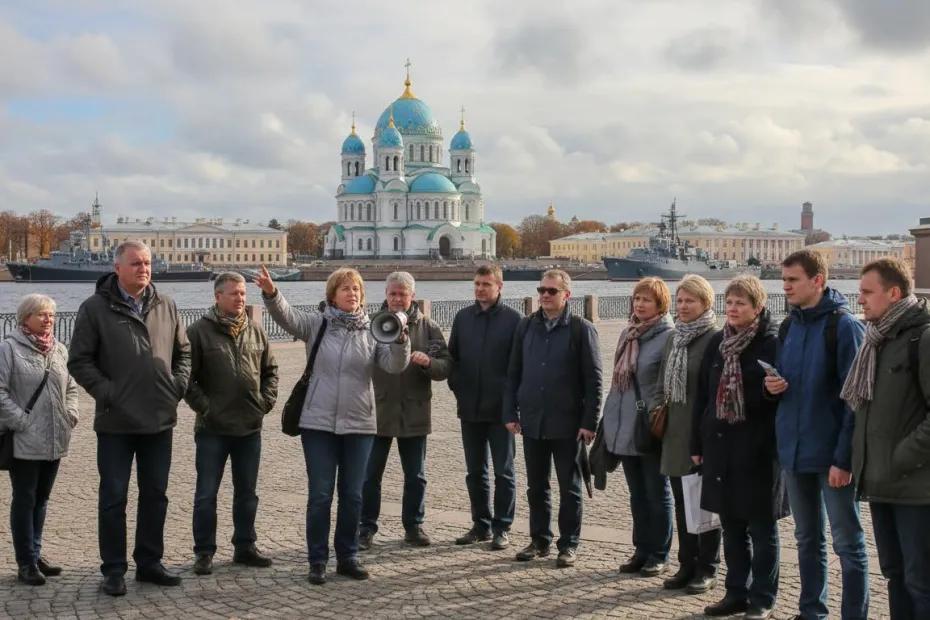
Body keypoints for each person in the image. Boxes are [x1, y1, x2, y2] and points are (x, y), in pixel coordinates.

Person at [256, 265, 409, 585]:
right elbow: (288, 317)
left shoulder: (373, 330)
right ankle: (317, 560)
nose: (351, 293)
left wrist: (400, 340)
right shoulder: (318, 324)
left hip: (360, 425)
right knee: (321, 495)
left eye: (356, 289)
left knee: (353, 495)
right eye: (345, 288)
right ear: (332, 295)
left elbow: (394, 365)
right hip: (318, 423)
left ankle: (348, 557)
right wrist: (272, 293)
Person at [68, 240, 191, 597]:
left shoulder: (166, 304)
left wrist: (176, 387)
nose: (144, 269)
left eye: (147, 263)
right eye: (136, 263)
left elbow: (184, 352)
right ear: (117, 267)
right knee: (113, 497)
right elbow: (79, 360)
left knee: (156, 495)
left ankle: (150, 563)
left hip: (159, 418)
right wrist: (108, 393)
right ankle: (114, 570)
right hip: (116, 421)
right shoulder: (94, 308)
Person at [765, 250, 868, 620]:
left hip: (832, 458)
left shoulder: (844, 327)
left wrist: (844, 459)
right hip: (794, 453)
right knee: (807, 539)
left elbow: (856, 401)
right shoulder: (789, 327)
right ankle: (812, 612)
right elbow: (786, 385)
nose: (785, 287)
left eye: (792, 280)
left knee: (847, 543)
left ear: (817, 281)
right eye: (784, 280)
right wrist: (771, 388)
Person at [691, 275, 787, 620]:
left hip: (758, 449)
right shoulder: (719, 342)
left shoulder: (771, 343)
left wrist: (767, 393)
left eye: (740, 303)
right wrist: (696, 442)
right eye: (729, 302)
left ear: (757, 307)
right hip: (721, 447)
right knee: (731, 527)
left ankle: (762, 597)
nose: (732, 309)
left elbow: (780, 395)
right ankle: (735, 592)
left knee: (761, 529)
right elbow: (703, 397)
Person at [842, 257, 930, 620]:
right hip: (879, 483)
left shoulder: (922, 338)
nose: (859, 299)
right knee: (894, 576)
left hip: (916, 488)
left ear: (893, 293)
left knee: (921, 582)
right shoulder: (875, 340)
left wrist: (901, 456)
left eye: (867, 292)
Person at [504, 269, 602, 568]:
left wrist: (589, 422)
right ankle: (539, 540)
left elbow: (594, 380)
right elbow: (513, 372)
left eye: (551, 291)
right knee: (536, 486)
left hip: (568, 423)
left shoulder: (581, 329)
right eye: (541, 290)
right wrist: (510, 412)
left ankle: (568, 544)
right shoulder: (526, 326)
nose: (544, 295)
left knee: (569, 488)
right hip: (533, 420)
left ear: (566, 295)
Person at [185, 272, 279, 576]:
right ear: (218, 297)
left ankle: (245, 546)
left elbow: (271, 371)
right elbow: (186, 378)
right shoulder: (198, 332)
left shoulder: (255, 330)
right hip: (212, 429)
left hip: (249, 428)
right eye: (234, 293)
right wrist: (206, 408)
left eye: (243, 293)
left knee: (247, 493)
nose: (240, 298)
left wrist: (264, 403)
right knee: (206, 494)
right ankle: (204, 552)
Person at [359, 272, 451, 549]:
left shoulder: (428, 326)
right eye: (393, 294)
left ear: (413, 296)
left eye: (403, 294)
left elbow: (446, 366)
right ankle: (365, 528)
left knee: (415, 476)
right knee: (369, 476)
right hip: (377, 410)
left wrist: (429, 363)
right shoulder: (371, 324)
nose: (397, 299)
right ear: (386, 294)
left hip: (414, 410)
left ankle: (414, 526)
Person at [0, 294, 79, 586]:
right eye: (42, 314)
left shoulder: (58, 349)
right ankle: (26, 562)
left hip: (55, 437)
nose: (48, 320)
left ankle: (35, 551)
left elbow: (70, 386)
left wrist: (71, 414)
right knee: (25, 498)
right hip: (24, 440)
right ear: (25, 318)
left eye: (52, 315)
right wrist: (21, 421)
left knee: (42, 499)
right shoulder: (9, 349)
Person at [600, 277, 674, 577]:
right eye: (637, 299)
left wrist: (655, 413)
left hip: (650, 427)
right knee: (637, 494)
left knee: (657, 493)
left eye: (647, 300)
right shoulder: (628, 333)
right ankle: (641, 550)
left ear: (660, 304)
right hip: (624, 425)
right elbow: (618, 384)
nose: (640, 305)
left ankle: (660, 553)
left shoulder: (668, 336)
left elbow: (667, 385)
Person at [655, 275, 721, 594]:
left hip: (701, 434)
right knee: (682, 503)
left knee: (704, 505)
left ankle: (707, 567)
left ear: (705, 303)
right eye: (679, 300)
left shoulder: (715, 339)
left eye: (690, 300)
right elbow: (661, 382)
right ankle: (686, 563)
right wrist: (654, 411)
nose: (682, 306)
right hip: (675, 433)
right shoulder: (673, 338)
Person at [448, 265, 521, 550]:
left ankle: (503, 527)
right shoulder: (463, 318)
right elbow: (453, 359)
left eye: (486, 284)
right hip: (470, 408)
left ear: (499, 286)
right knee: (475, 472)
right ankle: (481, 525)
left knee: (504, 472)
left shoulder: (514, 320)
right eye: (477, 283)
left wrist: (512, 406)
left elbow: (519, 367)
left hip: (502, 412)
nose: (480, 289)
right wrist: (458, 388)